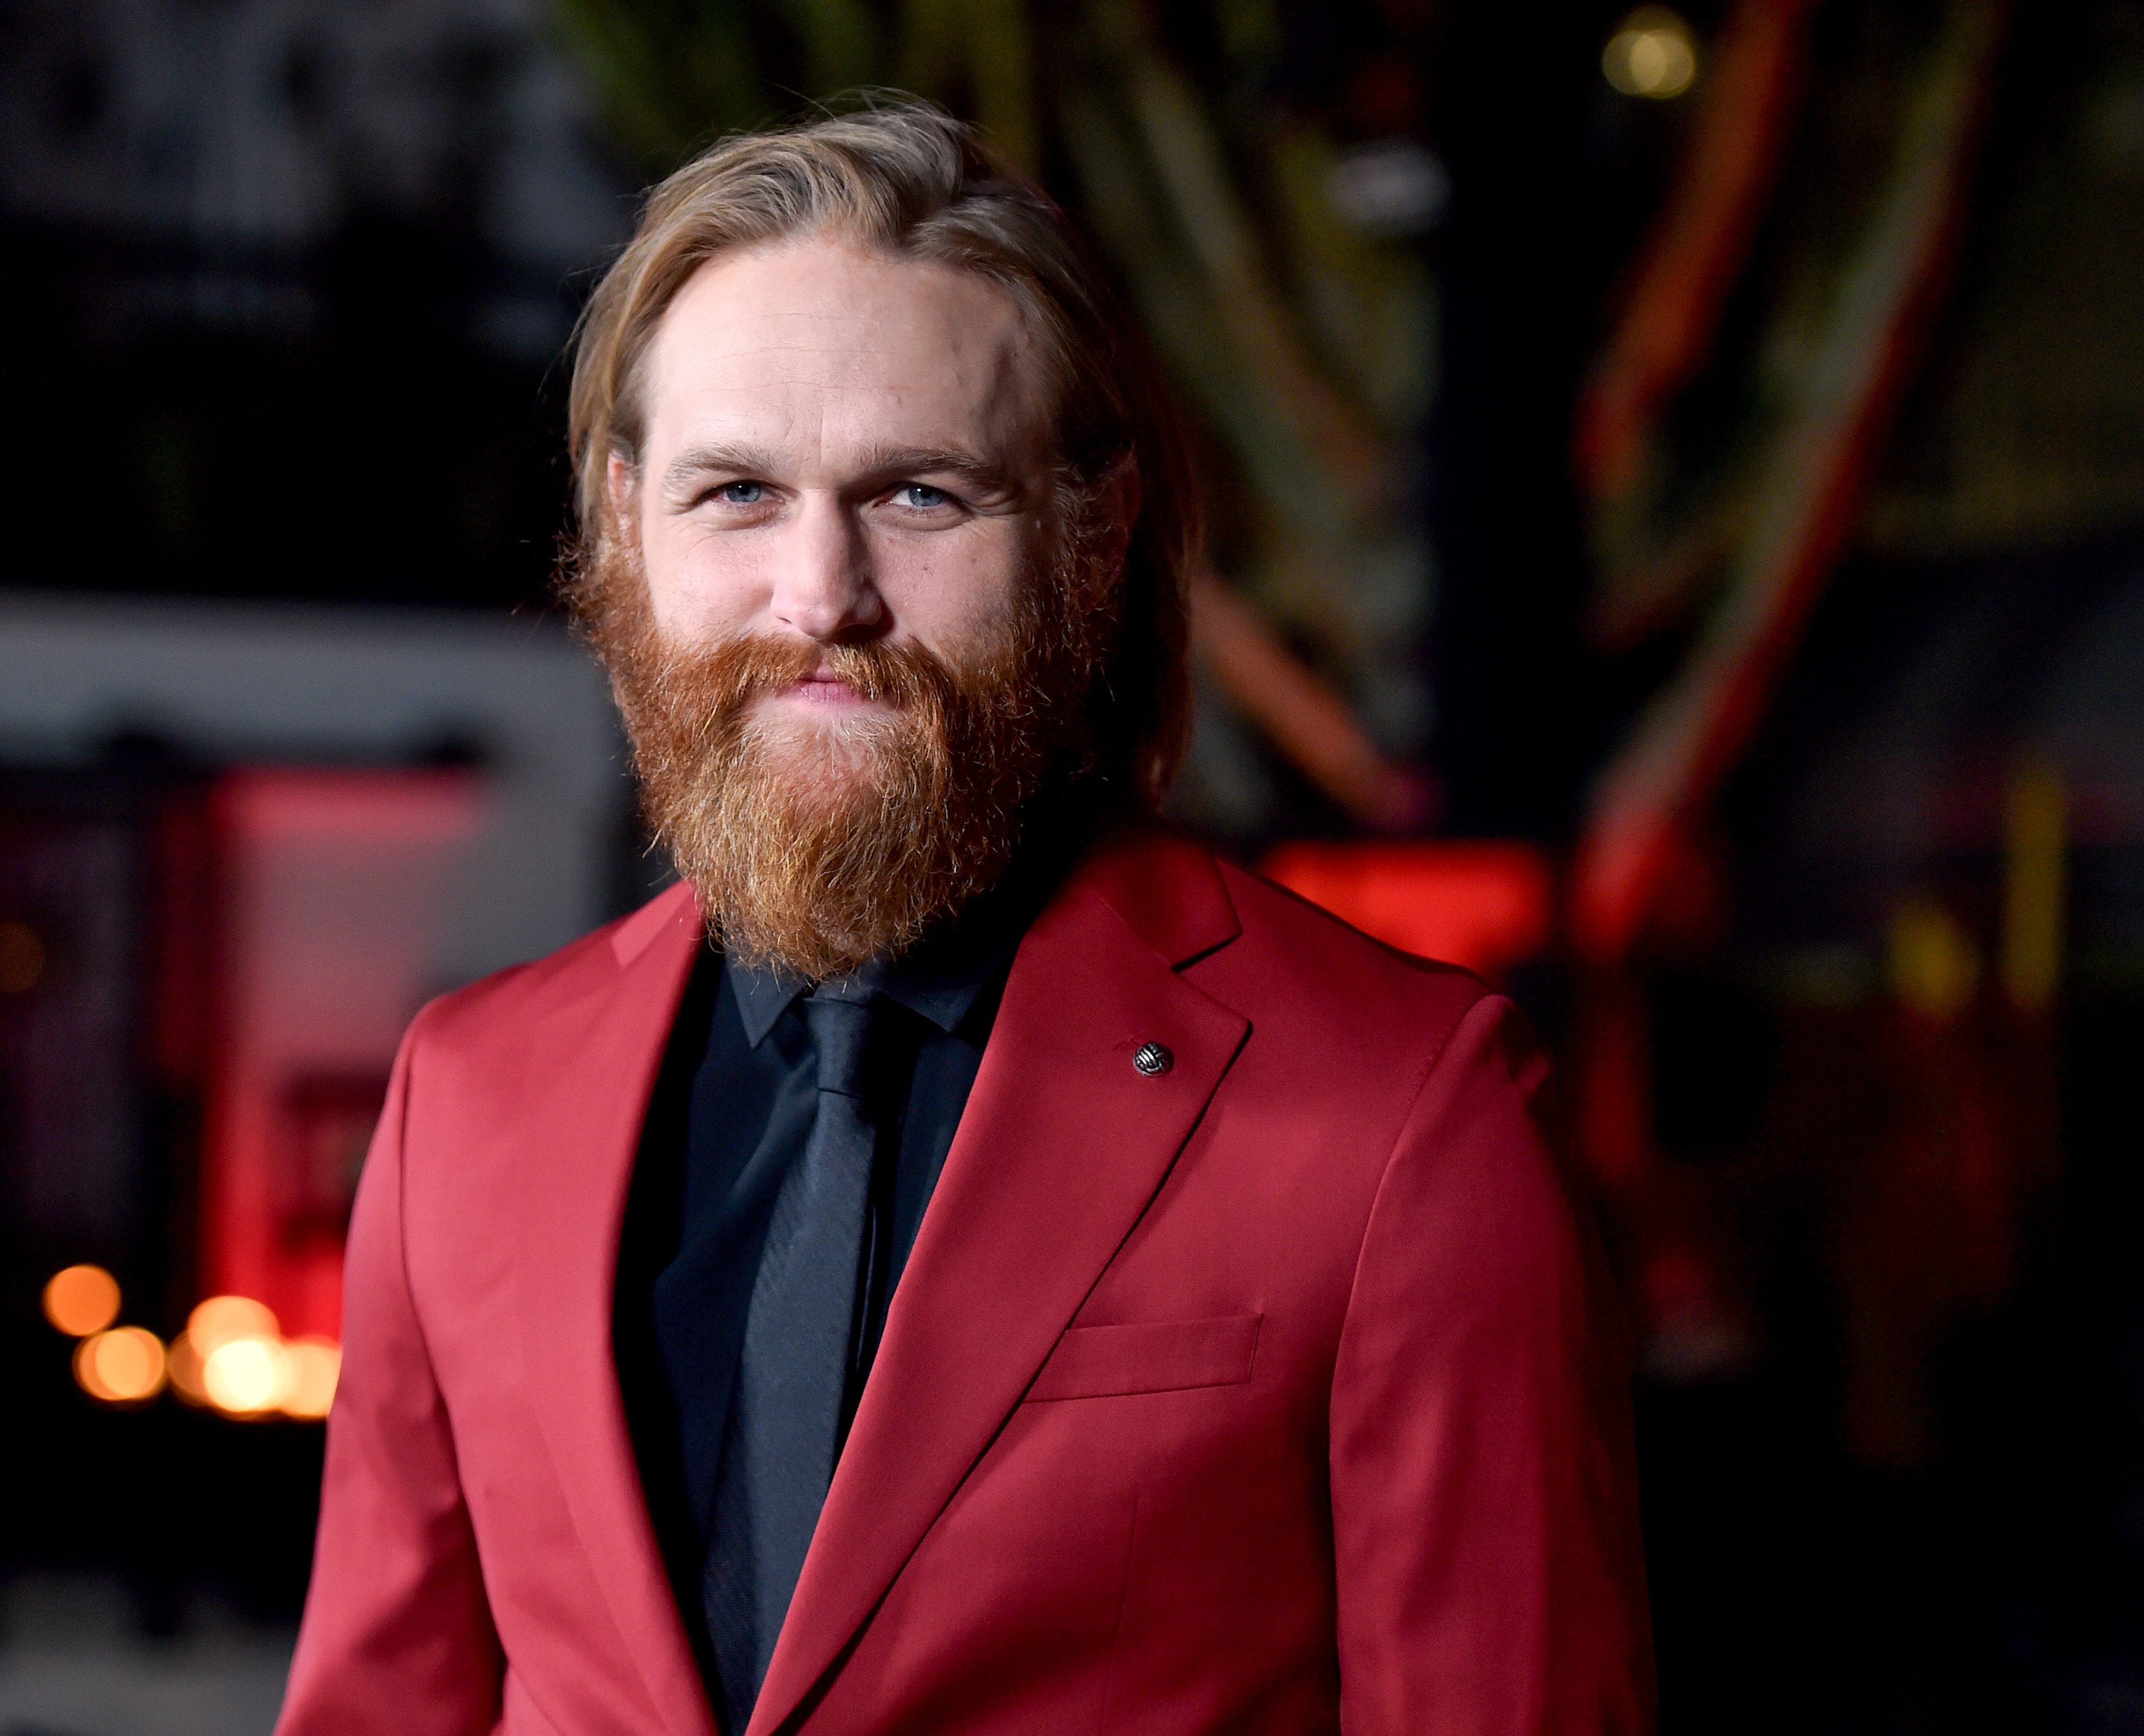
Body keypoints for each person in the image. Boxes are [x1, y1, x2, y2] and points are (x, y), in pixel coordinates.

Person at [276, 98, 1651, 1736]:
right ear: (623, 529)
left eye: (919, 496)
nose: (819, 596)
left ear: (1093, 530)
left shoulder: (1405, 1121)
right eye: (734, 495)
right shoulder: (466, 1100)